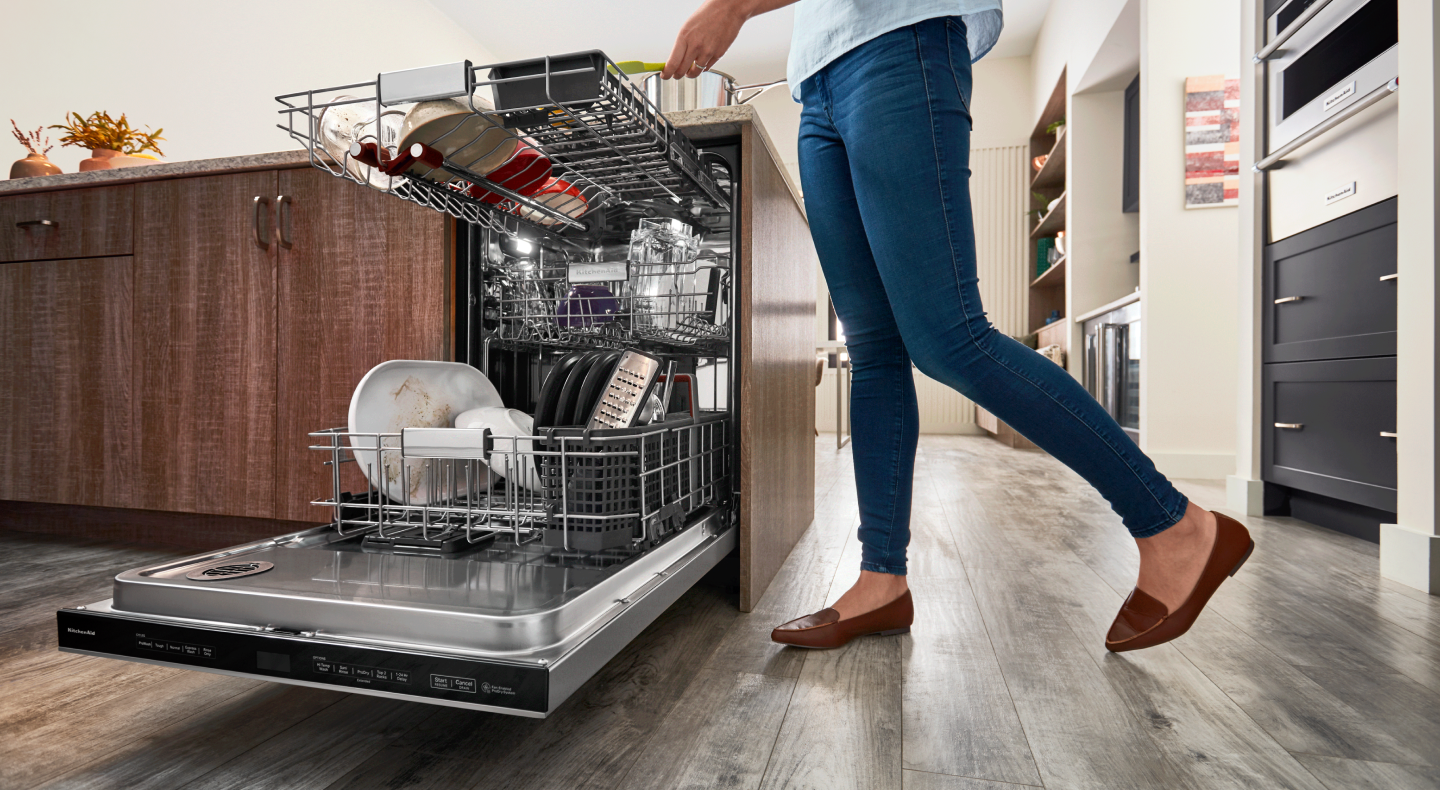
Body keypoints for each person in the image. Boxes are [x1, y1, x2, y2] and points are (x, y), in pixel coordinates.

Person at [663, 0, 1254, 653]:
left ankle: (1174, 525)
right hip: (818, 82)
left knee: (951, 338)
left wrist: (736, 7)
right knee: (876, 349)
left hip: (899, 42)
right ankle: (881, 581)